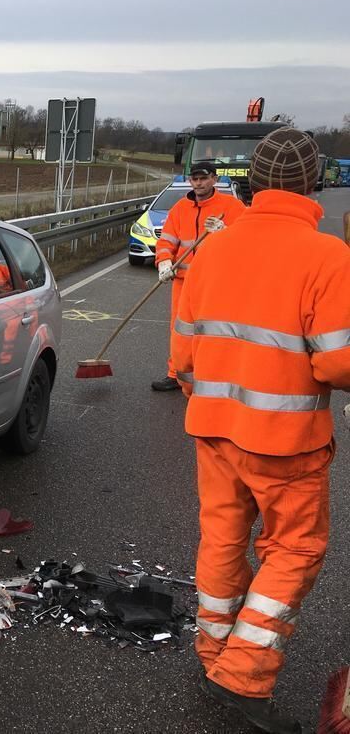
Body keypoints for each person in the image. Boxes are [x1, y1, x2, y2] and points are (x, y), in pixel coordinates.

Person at [171, 128, 350, 734]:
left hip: (215, 431)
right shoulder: (327, 256)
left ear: (252, 184)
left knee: (221, 540)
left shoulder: (213, 248)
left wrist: (214, 401)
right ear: (314, 184)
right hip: (288, 443)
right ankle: (242, 675)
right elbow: (337, 362)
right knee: (294, 549)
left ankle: (215, 654)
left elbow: (185, 355)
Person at [151, 162, 246, 391]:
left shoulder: (233, 207)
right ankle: (176, 375)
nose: (199, 183)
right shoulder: (180, 208)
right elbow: (167, 241)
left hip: (218, 283)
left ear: (214, 179)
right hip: (184, 282)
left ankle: (215, 376)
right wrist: (164, 261)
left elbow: (247, 241)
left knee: (215, 330)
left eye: (203, 178)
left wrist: (226, 233)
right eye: (194, 179)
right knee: (180, 329)